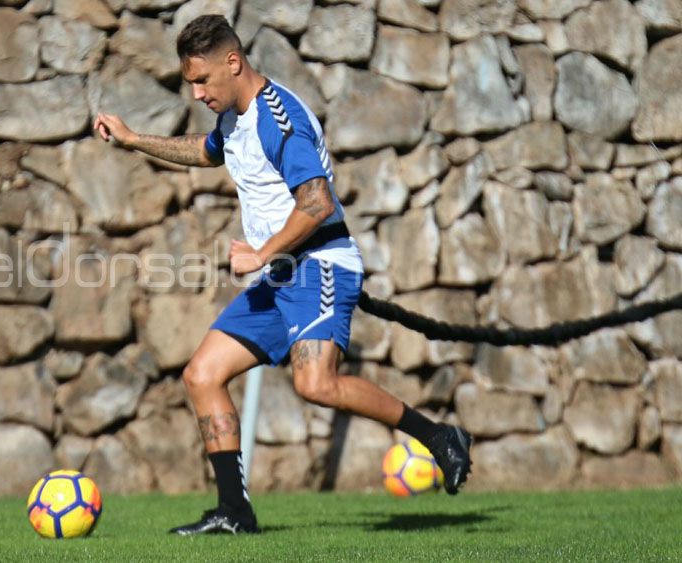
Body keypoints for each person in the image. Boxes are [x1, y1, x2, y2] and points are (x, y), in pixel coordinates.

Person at [93, 15, 472, 535]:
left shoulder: (280, 120)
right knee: (202, 375)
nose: (198, 92)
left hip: (320, 267)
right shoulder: (234, 116)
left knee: (316, 384)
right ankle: (234, 511)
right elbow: (206, 152)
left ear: (234, 62)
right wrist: (134, 139)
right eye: (191, 83)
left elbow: (316, 203)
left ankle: (437, 437)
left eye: (203, 80)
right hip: (281, 274)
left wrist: (262, 253)